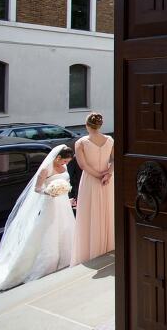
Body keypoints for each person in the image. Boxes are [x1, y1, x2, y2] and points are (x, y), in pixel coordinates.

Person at [0, 145, 75, 294]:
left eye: (67, 162)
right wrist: (49, 191)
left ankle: (65, 257)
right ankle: (46, 262)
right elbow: (37, 189)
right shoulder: (45, 170)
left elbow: (65, 184)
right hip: (49, 204)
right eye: (64, 161)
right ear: (57, 158)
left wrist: (67, 198)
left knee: (65, 228)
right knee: (48, 230)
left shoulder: (64, 168)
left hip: (63, 205)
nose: (65, 164)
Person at [70, 112, 114, 266]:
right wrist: (108, 174)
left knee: (90, 212)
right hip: (107, 181)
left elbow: (83, 165)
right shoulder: (110, 140)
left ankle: (92, 249)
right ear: (100, 125)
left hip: (91, 180)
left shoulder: (81, 142)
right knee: (107, 210)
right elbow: (114, 160)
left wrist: (98, 176)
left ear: (87, 125)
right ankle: (109, 245)